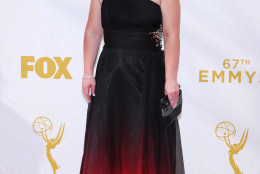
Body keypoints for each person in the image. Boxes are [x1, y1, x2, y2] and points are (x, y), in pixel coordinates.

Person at [80, 0, 185, 173]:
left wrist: (171, 78)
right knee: (109, 139)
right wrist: (87, 73)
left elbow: (171, 34)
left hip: (148, 74)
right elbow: (93, 31)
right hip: (111, 73)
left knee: (145, 138)